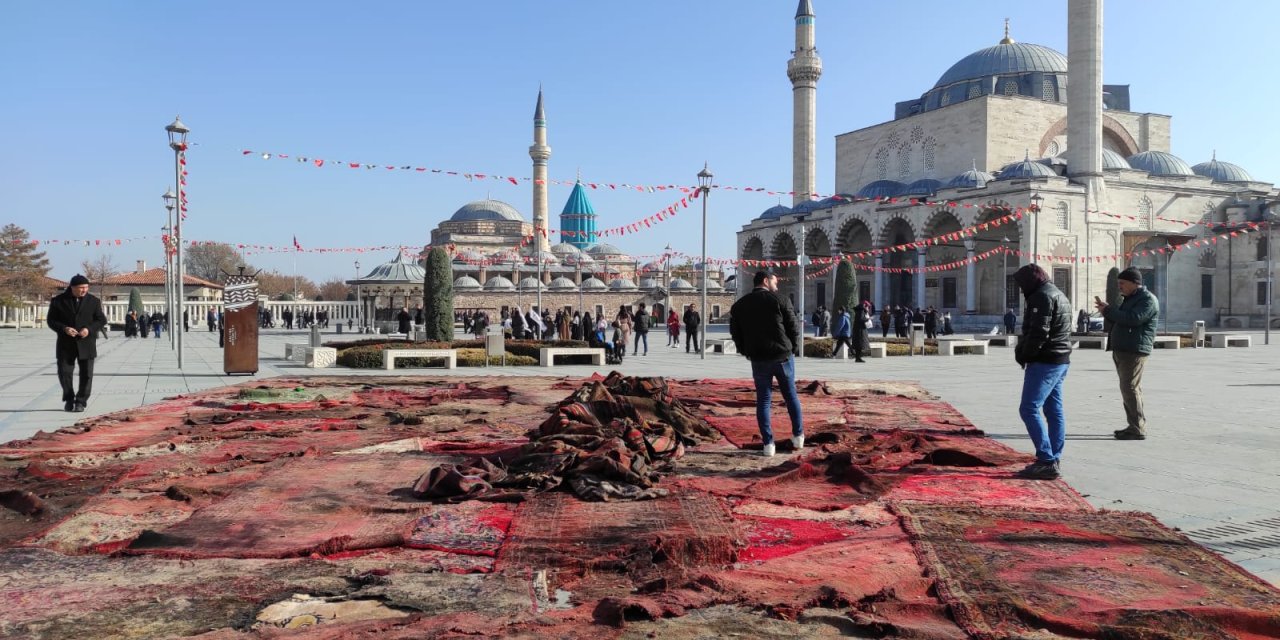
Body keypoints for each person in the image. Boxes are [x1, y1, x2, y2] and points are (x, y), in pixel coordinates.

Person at [729, 271, 803, 458]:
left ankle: (768, 444)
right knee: (790, 395)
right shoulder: (780, 300)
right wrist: (791, 348)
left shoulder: (740, 305)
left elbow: (735, 333)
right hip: (782, 357)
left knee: (764, 400)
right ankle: (798, 436)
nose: (776, 286)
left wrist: (745, 351)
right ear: (765, 281)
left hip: (759, 359)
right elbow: (793, 327)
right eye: (774, 282)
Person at [1012, 264, 1073, 480]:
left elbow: (1039, 333)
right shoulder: (1058, 294)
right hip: (1060, 359)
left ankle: (1046, 460)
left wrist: (1024, 354)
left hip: (1045, 361)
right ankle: (1054, 457)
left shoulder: (1042, 297)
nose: (1021, 290)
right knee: (1053, 409)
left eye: (1021, 285)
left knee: (1028, 408)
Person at [1095, 268, 1159, 441]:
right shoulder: (1130, 299)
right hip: (1123, 348)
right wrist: (1106, 311)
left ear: (1134, 283)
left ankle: (1137, 428)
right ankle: (1134, 425)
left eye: (1122, 283)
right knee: (1129, 388)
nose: (1120, 287)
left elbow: (1133, 319)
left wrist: (1109, 311)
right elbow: (1121, 319)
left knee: (1129, 387)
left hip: (1134, 350)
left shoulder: (1147, 300)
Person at [46, 275, 107, 413]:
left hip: (86, 343)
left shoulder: (93, 301)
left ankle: (81, 401)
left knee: (86, 374)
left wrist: (89, 329)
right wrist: (64, 329)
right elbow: (51, 320)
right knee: (64, 373)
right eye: (81, 288)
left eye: (86, 287)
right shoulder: (58, 301)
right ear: (72, 287)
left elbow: (101, 320)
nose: (84, 290)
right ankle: (69, 398)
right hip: (65, 344)